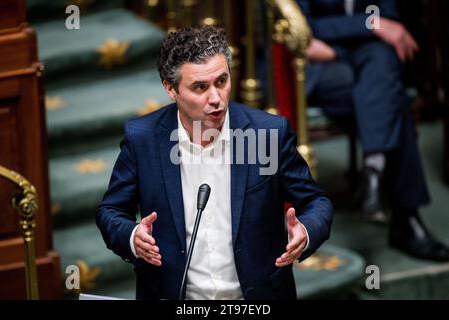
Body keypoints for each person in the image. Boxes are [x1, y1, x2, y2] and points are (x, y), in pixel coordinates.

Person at [96, 26, 333, 300]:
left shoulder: (267, 134)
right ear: (171, 89)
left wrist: (305, 230)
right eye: (200, 87)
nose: (216, 98)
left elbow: (317, 202)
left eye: (221, 81)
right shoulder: (143, 139)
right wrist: (132, 236)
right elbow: (111, 211)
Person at [297, 0, 449, 261]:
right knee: (391, 98)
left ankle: (374, 173)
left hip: (364, 56)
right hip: (317, 65)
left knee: (382, 72)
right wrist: (371, 24)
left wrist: (367, 29)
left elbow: (391, 18)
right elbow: (305, 28)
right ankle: (403, 215)